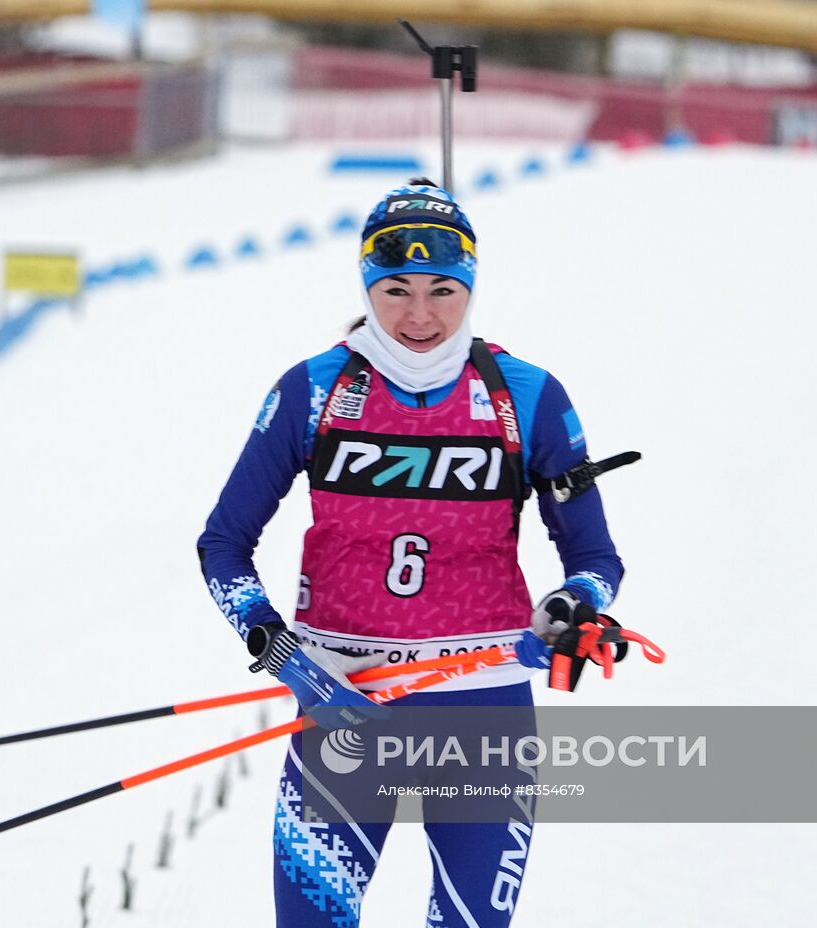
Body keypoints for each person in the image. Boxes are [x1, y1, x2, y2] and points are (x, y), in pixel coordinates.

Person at [197, 180, 625, 927]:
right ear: (367, 284)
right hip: (342, 704)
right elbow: (224, 544)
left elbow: (596, 561)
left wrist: (574, 609)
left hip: (481, 707)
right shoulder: (315, 390)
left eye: (442, 290)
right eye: (395, 289)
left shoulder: (525, 395)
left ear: (470, 288)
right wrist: (278, 649)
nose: (419, 315)